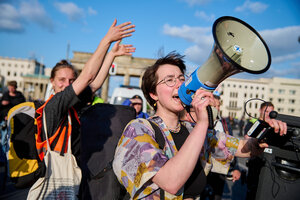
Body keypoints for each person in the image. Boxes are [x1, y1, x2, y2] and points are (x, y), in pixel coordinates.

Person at [113, 52, 287, 200]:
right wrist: (203, 122)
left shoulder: (192, 131)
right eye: (169, 80)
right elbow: (171, 182)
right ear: (153, 94)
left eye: (182, 78)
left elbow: (244, 147)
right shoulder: (138, 129)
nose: (179, 84)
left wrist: (267, 130)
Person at [35, 19, 136, 168]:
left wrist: (111, 55)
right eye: (62, 80)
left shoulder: (72, 105)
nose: (67, 85)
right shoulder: (53, 105)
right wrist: (106, 40)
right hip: (58, 177)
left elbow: (94, 85)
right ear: (52, 81)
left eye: (72, 80)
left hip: (75, 171)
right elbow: (87, 77)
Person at [244, 102, 274, 200]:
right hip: (255, 164)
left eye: (271, 112)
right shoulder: (253, 124)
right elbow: (247, 139)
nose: (268, 114)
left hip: (268, 165)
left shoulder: (273, 126)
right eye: (266, 111)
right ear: (260, 111)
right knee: (253, 193)